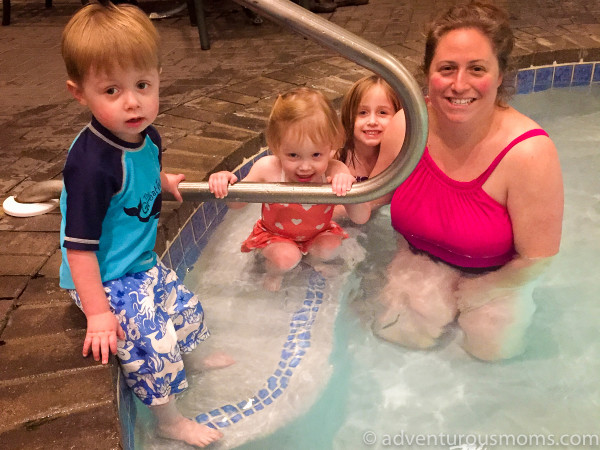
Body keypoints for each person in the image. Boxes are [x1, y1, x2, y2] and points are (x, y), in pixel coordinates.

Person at [58, 3, 232, 447]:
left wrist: (162, 179)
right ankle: (168, 420)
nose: (132, 101)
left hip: (140, 264)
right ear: (80, 94)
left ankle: (188, 359)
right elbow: (78, 249)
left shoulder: (146, 134)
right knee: (152, 345)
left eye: (142, 85)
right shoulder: (92, 165)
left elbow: (145, 164)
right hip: (106, 277)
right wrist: (98, 313)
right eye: (111, 90)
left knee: (187, 309)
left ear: (158, 77)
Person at [369, 1, 564, 361]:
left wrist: (482, 290)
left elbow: (538, 257)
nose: (460, 85)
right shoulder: (406, 126)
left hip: (496, 275)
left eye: (477, 69)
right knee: (397, 338)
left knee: (491, 353)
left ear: (501, 74)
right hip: (419, 259)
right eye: (447, 68)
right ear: (428, 73)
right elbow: (370, 199)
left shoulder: (528, 153)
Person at [208, 87, 371, 291]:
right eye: (293, 155)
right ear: (276, 146)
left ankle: (314, 260)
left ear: (331, 147)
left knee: (330, 248)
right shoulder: (267, 168)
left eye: (316, 155)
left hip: (317, 232)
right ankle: (272, 270)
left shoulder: (336, 169)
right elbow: (236, 204)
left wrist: (351, 190)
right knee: (286, 259)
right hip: (275, 234)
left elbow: (361, 218)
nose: (305, 166)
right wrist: (226, 183)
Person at [337, 75, 401, 183]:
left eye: (382, 112)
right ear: (349, 116)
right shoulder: (337, 156)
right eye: (362, 113)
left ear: (398, 116)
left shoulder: (402, 159)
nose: (372, 122)